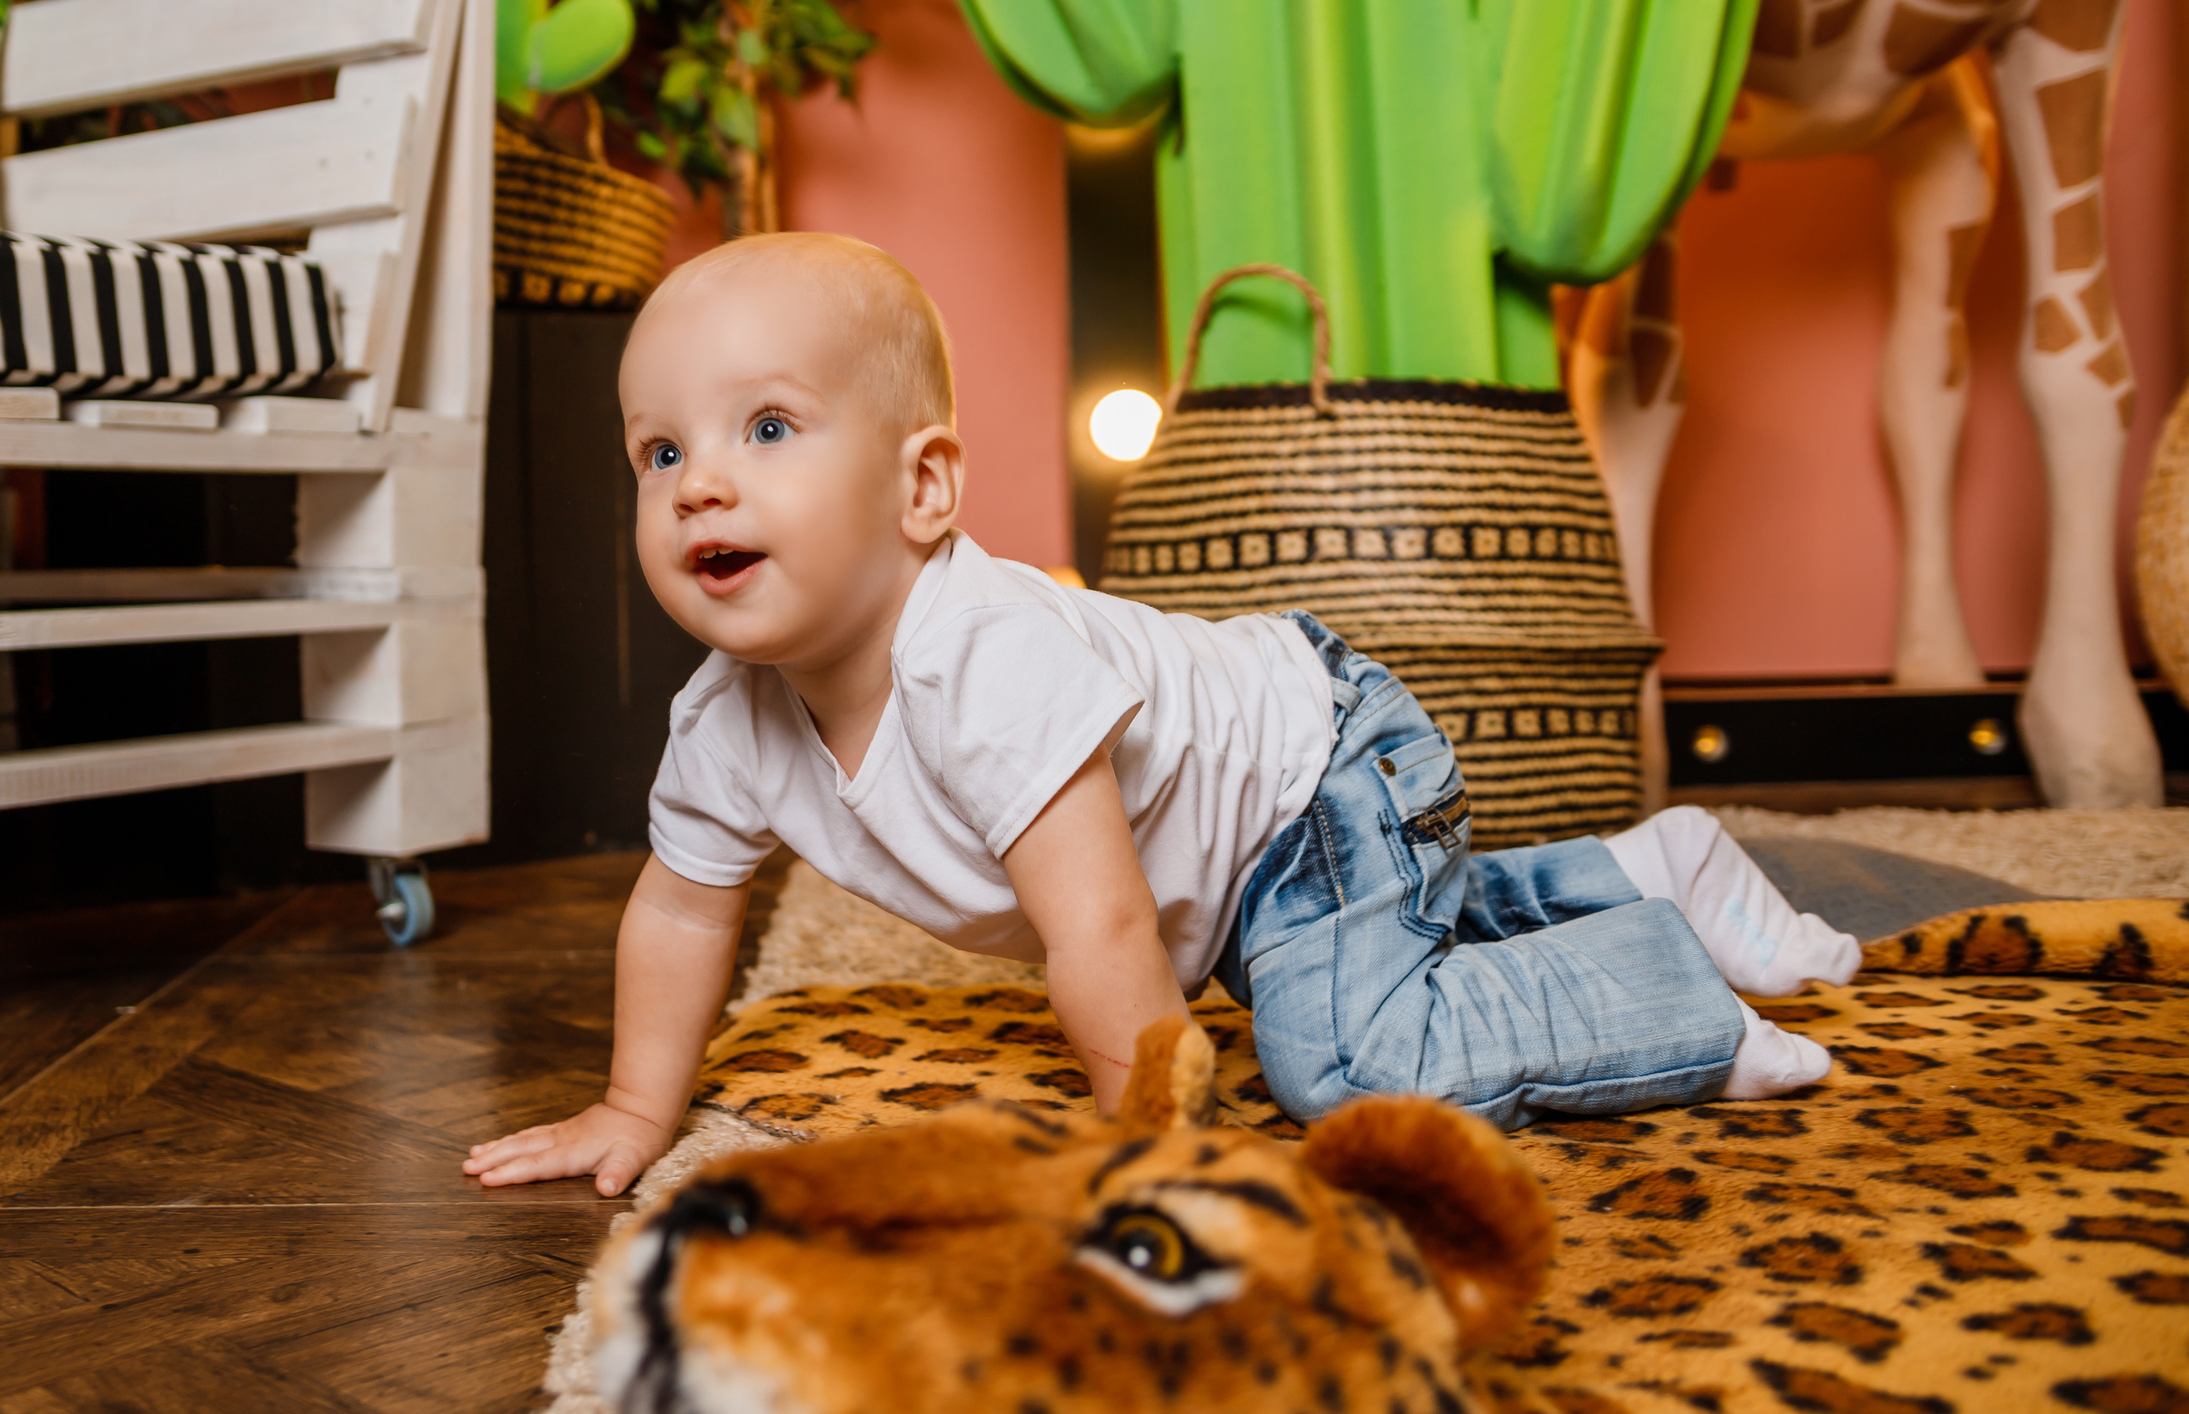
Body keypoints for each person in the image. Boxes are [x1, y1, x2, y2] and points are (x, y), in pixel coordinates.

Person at [466, 233, 1859, 1197]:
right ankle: (1642, 869)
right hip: (1259, 852)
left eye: (765, 428)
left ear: (923, 491)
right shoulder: (725, 725)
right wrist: (638, 1108)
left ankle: (1673, 995)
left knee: (1348, 1059)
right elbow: (680, 909)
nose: (699, 482)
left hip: (1324, 766)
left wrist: (1151, 1146)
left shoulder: (983, 660)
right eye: (660, 450)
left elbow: (1105, 931)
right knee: (1353, 943)